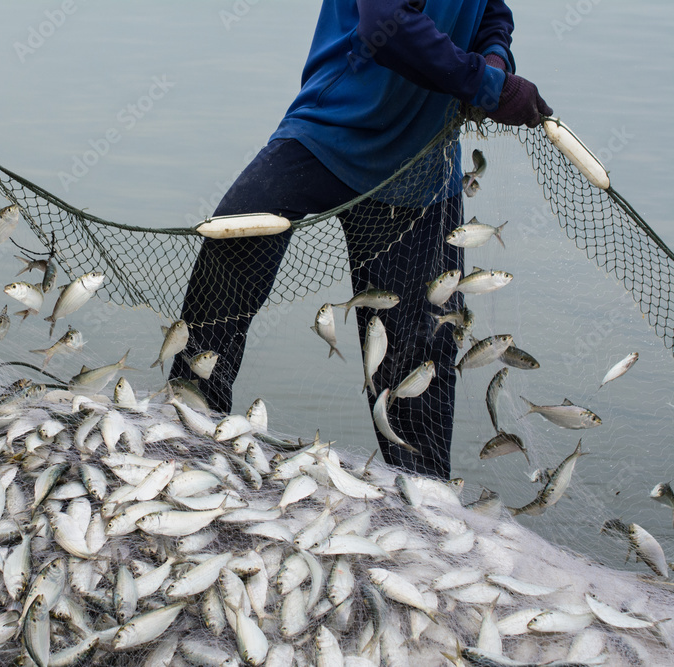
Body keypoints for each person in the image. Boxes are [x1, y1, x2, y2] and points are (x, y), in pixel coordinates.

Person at [169, 0, 551, 480]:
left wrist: (495, 58)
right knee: (232, 242)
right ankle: (188, 433)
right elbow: (386, 25)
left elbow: (492, 11)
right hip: (330, 129)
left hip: (422, 167)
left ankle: (425, 502)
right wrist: (489, 84)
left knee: (416, 353)